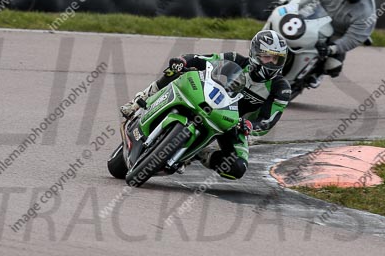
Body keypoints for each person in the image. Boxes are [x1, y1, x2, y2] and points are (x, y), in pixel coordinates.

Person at [120, 29, 291, 180]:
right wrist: (184, 61)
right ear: (255, 53)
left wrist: (249, 125)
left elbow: (268, 120)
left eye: (277, 59)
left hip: (234, 124)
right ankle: (140, 100)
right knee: (176, 71)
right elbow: (203, 60)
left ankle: (201, 155)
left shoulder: (281, 88)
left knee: (237, 168)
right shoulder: (235, 59)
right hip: (208, 100)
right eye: (267, 57)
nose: (271, 63)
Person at [273, 0, 376, 87]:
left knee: (333, 66)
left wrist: (332, 49)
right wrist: (284, 1)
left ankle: (317, 73)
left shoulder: (367, 11)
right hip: (318, 18)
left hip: (339, 33)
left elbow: (354, 38)